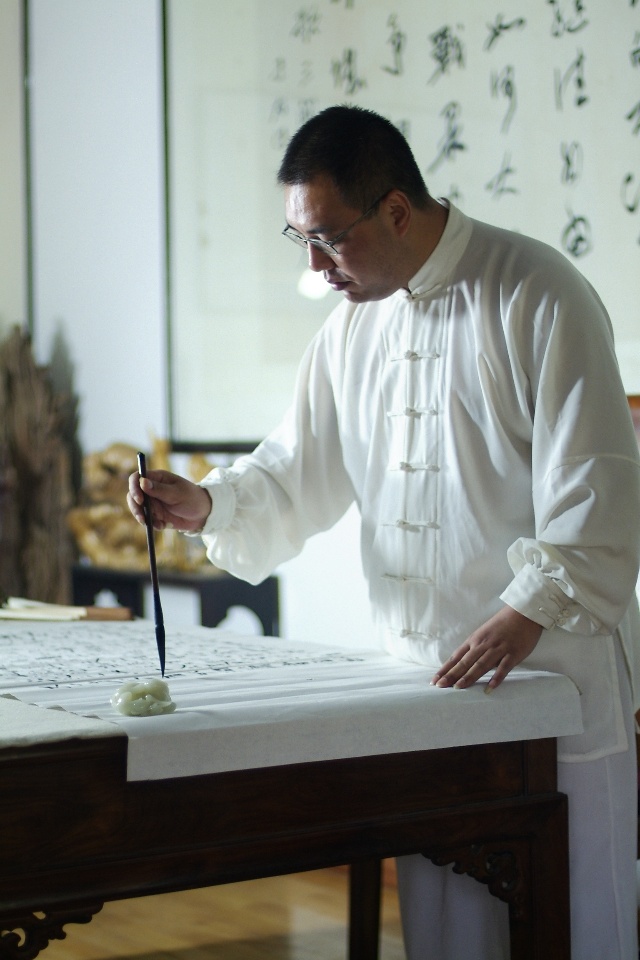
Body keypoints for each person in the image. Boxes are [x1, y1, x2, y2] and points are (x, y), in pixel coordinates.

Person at [129, 105, 640, 959]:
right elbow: (297, 468)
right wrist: (208, 505)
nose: (319, 268)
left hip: (550, 673)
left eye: (329, 239)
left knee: (572, 916)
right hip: (421, 685)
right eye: (302, 243)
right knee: (447, 924)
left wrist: (526, 610)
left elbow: (597, 479)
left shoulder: (536, 291)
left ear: (396, 210)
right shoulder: (351, 326)